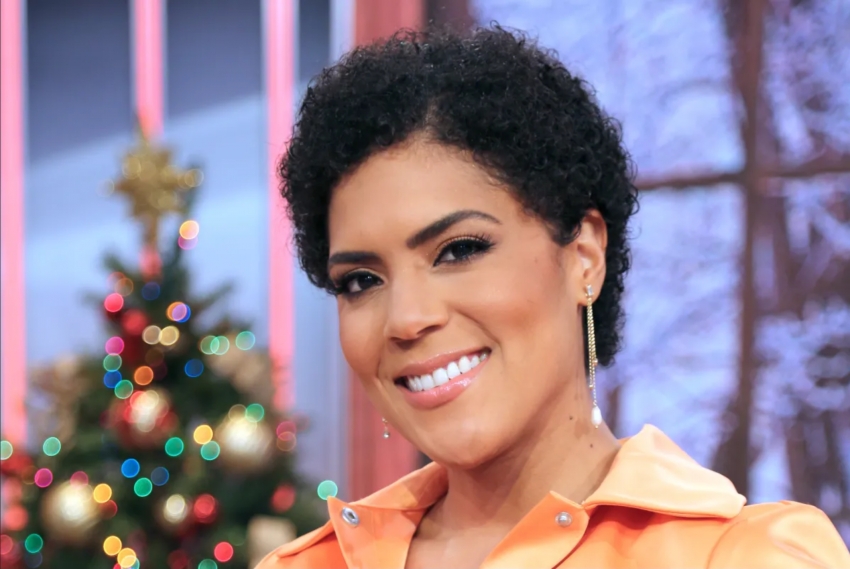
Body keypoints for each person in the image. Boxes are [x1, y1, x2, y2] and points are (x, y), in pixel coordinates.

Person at [257, 25, 850, 569]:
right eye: (361, 281)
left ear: (584, 256)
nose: (407, 319)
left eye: (459, 250)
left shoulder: (744, 556)